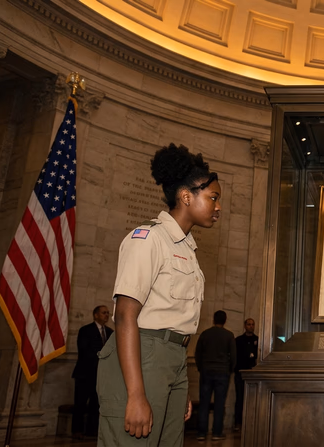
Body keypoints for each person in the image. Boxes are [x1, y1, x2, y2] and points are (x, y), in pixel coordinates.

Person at [97, 143, 222, 446]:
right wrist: (137, 394)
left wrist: (177, 383)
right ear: (186, 196)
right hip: (143, 355)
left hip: (172, 360)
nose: (218, 207)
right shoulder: (148, 239)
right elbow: (126, 316)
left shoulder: (186, 249)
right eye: (213, 198)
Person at [72, 305, 113, 439]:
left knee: (96, 404)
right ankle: (76, 431)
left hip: (101, 376)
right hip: (85, 373)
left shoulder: (110, 332)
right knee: (80, 403)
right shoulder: (85, 330)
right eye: (103, 313)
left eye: (108, 313)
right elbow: (84, 350)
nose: (106, 315)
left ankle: (92, 431)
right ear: (95, 315)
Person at [195, 310, 236, 441]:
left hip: (206, 371)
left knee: (204, 403)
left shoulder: (205, 334)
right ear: (225, 320)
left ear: (213, 319)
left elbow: (198, 353)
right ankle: (216, 433)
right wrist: (230, 370)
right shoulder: (229, 335)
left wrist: (201, 368)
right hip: (222, 372)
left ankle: (201, 433)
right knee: (219, 403)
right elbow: (234, 356)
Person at [234, 318, 258, 431]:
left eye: (252, 324)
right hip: (240, 373)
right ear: (245, 326)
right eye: (249, 324)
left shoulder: (257, 340)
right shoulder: (238, 340)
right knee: (240, 398)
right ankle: (238, 423)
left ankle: (251, 422)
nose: (251, 326)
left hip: (253, 373)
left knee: (252, 399)